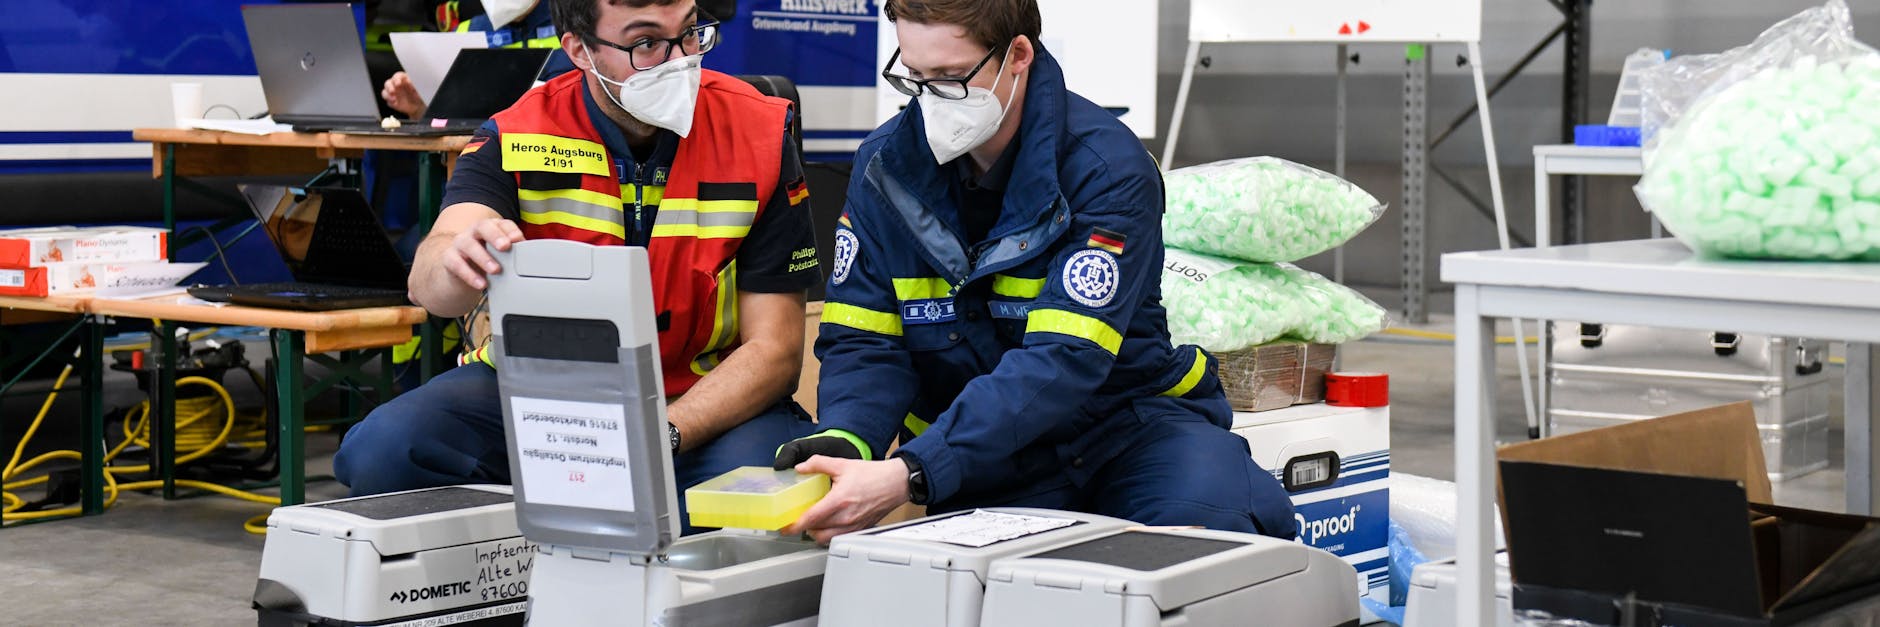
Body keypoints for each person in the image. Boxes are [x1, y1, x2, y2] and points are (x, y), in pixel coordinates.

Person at [771, 0, 1298, 544]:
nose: (931, 101)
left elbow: (1063, 360)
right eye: (915, 76)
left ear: (1017, 54)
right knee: (985, 589)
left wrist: (912, 471)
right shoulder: (886, 169)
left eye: (951, 78)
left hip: (1129, 431)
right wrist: (847, 440)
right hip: (985, 455)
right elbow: (863, 339)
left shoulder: (1106, 169)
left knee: (1213, 531)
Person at [335, 0, 822, 534]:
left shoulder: (758, 131)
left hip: (701, 400)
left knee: (766, 493)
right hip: (542, 396)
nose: (679, 60)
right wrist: (452, 257)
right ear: (580, 50)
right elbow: (432, 285)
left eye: (690, 34)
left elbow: (775, 351)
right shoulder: (520, 132)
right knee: (384, 449)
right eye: (645, 43)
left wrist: (664, 431)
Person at [380, 0, 573, 118]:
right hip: (480, 167)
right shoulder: (465, 33)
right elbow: (455, 121)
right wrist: (419, 108)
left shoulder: (574, 26)